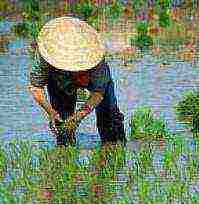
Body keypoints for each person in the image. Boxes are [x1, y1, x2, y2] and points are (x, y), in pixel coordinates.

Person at [28, 16, 126, 147]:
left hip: (92, 77)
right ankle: (65, 156)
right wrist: (51, 112)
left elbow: (98, 93)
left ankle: (114, 150)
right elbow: (36, 87)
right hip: (59, 79)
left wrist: (79, 116)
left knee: (109, 116)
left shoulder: (95, 58)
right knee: (62, 123)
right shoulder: (46, 56)